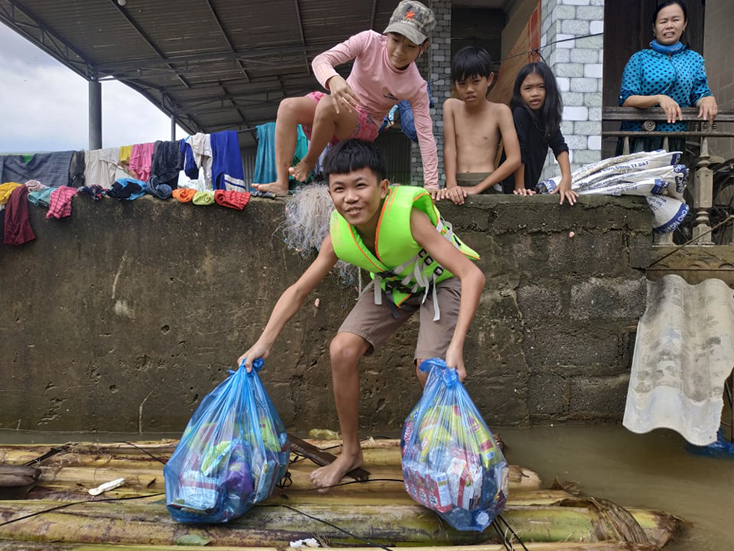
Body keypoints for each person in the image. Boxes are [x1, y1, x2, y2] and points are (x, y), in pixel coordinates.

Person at [238, 139, 485, 489]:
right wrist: (263, 343)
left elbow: (472, 274)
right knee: (341, 349)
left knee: (430, 370)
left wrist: (455, 347)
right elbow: (298, 290)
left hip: (441, 283)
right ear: (330, 194)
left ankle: (450, 453)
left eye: (360, 185)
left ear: (383, 188)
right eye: (339, 189)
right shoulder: (338, 235)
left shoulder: (409, 218)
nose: (350, 197)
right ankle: (351, 452)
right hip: (395, 284)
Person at [252, 1, 440, 196]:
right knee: (287, 106)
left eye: (410, 46)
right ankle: (281, 182)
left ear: (423, 47)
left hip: (364, 124)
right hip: (337, 107)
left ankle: (309, 161)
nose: (399, 51)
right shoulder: (368, 40)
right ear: (387, 33)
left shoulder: (416, 86)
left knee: (328, 103)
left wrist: (432, 184)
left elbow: (425, 134)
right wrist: (333, 79)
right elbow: (321, 60)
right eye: (395, 39)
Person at [618, 0, 717, 154]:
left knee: (671, 177)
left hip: (675, 136)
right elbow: (626, 99)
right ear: (654, 28)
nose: (669, 25)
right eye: (663, 21)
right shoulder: (640, 59)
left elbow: (698, 93)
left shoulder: (694, 59)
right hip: (639, 137)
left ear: (684, 25)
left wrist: (708, 98)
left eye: (675, 20)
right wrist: (659, 98)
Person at [435, 46, 521, 206]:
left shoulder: (501, 111)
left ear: (489, 79)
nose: (469, 89)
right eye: (462, 83)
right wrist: (451, 184)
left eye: (475, 81)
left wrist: (477, 188)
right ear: (455, 85)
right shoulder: (451, 106)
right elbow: (450, 148)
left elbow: (514, 159)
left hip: (487, 183)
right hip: (456, 185)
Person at [501, 62, 577, 205]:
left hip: (529, 185)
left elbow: (560, 146)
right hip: (509, 185)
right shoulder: (519, 112)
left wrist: (566, 179)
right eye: (528, 88)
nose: (535, 93)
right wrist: (520, 186)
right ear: (519, 92)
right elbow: (520, 151)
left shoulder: (548, 116)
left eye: (541, 87)